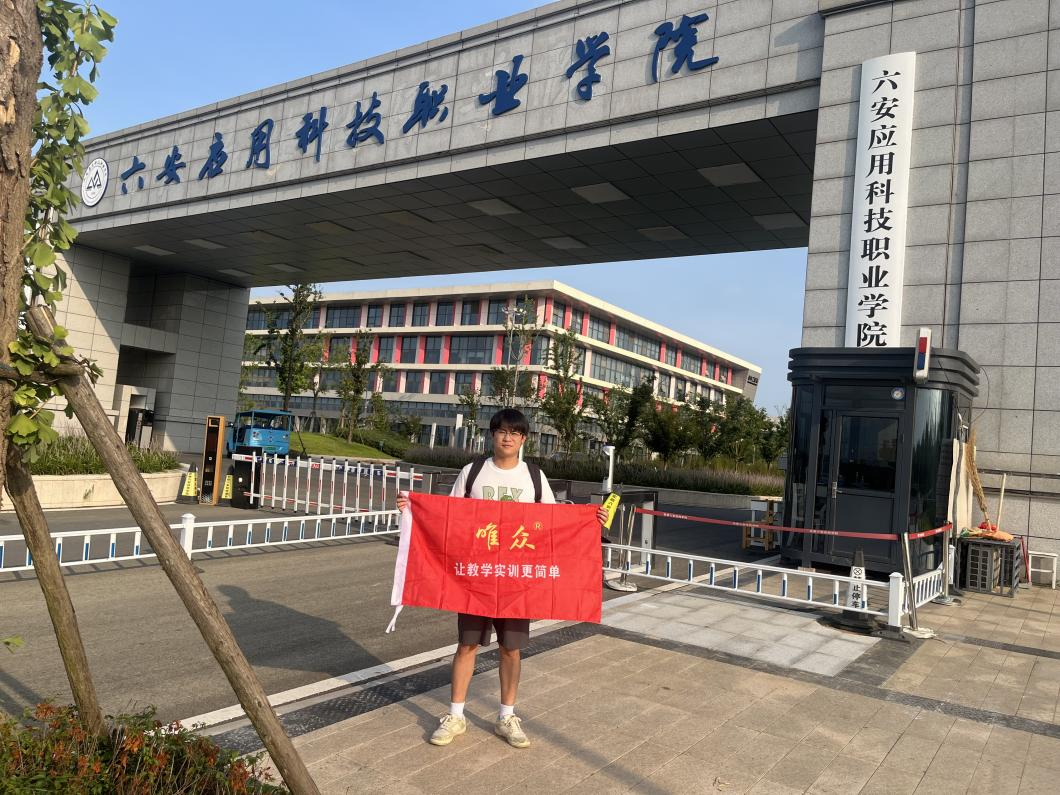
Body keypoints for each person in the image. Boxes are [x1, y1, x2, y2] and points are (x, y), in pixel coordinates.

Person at [396, 407, 608, 749]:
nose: (508, 437)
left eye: (515, 432)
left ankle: (506, 716)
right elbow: (449, 520)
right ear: (492, 435)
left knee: (511, 649)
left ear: (524, 439)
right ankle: (456, 715)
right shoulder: (473, 472)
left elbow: (553, 526)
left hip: (516, 580)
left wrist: (589, 521)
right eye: (502, 431)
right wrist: (413, 510)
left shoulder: (534, 477)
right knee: (467, 645)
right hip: (476, 578)